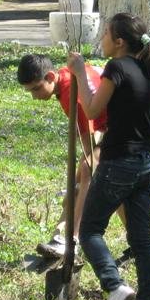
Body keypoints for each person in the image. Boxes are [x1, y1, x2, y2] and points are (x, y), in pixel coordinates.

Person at [67, 13, 150, 300]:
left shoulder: (117, 67)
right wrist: (146, 160)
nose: (102, 39)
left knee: (91, 230)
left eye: (106, 34)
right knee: (140, 236)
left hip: (118, 161)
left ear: (119, 42)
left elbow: (93, 109)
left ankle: (115, 285)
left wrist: (80, 73)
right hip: (145, 163)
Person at [17, 53, 124, 258]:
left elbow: (88, 139)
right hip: (112, 130)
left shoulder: (69, 92)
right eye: (29, 91)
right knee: (89, 177)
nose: (34, 96)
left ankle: (70, 239)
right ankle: (136, 238)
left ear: (50, 76)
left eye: (36, 88)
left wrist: (87, 166)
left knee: (87, 169)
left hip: (123, 132)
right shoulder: (66, 76)